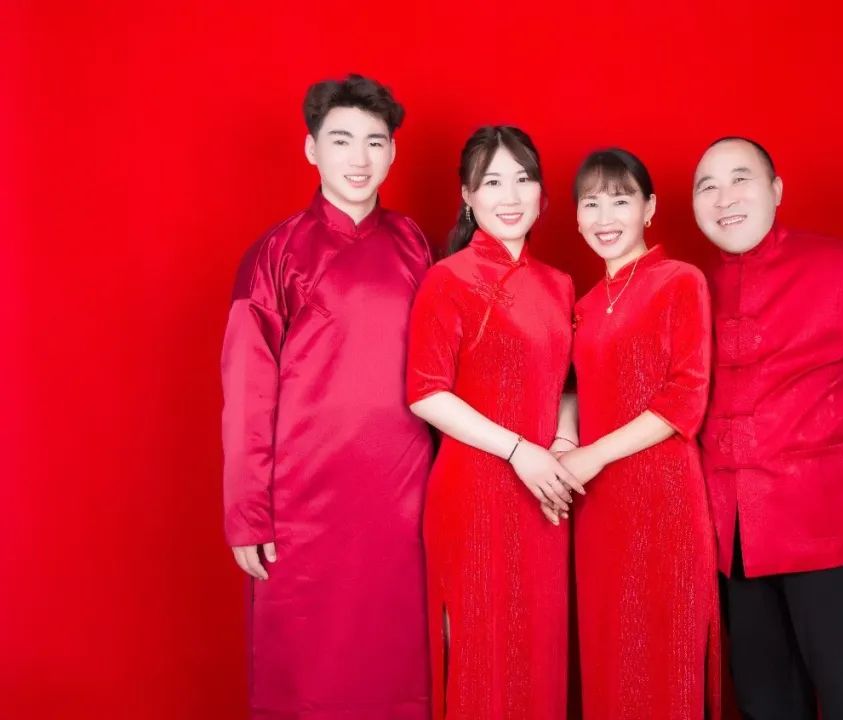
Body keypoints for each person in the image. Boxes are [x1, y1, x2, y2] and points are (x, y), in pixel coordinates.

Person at [694, 136, 843, 719]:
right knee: (765, 707)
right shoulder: (692, 289)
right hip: (737, 550)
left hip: (840, 533)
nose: (725, 198)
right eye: (707, 187)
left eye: (741, 179)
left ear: (776, 190)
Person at [221, 74, 432, 719]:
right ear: (311, 148)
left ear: (393, 152)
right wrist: (246, 512)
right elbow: (246, 392)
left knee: (399, 665)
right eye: (341, 140)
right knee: (307, 674)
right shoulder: (276, 252)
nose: (359, 158)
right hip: (304, 506)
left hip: (404, 502)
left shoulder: (415, 244)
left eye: (375, 141)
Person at [406, 125, 581, 720]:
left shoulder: (560, 285)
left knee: (539, 654)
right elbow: (426, 394)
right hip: (473, 494)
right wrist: (518, 451)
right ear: (467, 195)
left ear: (541, 193)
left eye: (523, 179)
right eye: (492, 182)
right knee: (481, 660)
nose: (510, 196)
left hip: (546, 494)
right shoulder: (447, 279)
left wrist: (562, 441)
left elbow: (569, 383)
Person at [562, 148, 720, 720]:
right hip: (599, 509)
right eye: (591, 203)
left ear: (649, 208)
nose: (605, 218)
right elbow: (569, 388)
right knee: (610, 658)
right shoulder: (581, 306)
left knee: (665, 658)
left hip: (666, 500)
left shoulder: (680, 281)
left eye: (621, 200)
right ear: (576, 217)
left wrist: (591, 456)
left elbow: (685, 399)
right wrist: (565, 444)